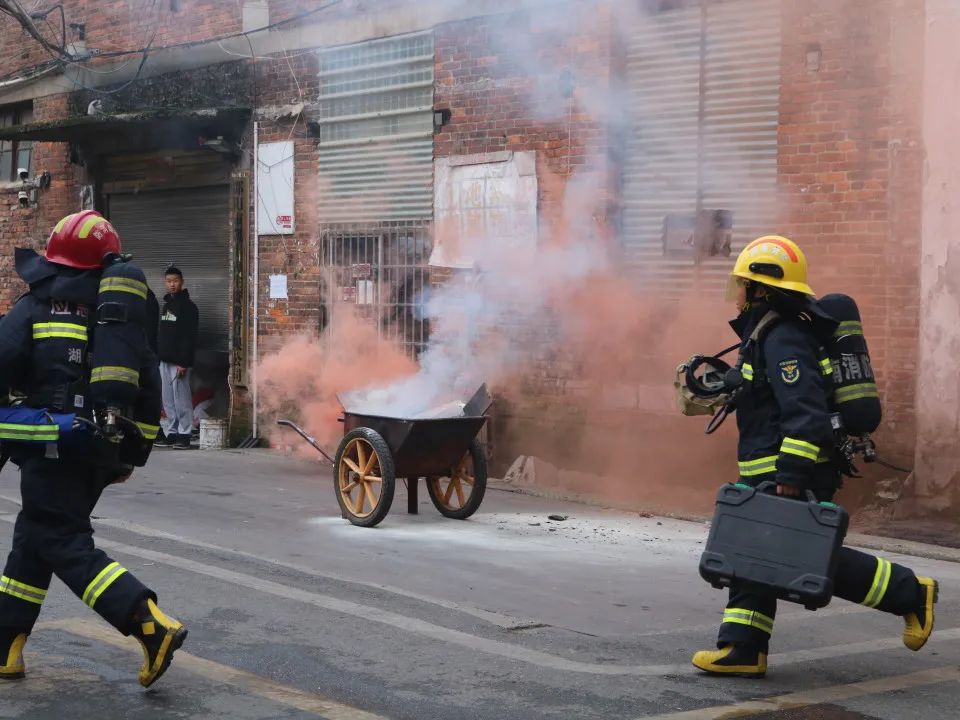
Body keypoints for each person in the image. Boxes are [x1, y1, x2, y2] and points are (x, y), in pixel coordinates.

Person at [691, 235, 938, 678]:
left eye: (744, 286)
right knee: (757, 553)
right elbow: (765, 391)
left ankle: (911, 593)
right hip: (767, 467)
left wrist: (791, 472)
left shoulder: (783, 337)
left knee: (804, 556)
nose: (738, 295)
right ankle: (743, 648)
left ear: (762, 289)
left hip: (787, 468)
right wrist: (728, 383)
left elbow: (805, 414)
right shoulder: (770, 335)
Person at [0, 210, 187, 686]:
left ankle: (148, 624)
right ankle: (5, 646)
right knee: (35, 537)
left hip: (53, 443)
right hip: (103, 447)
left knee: (60, 540)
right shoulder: (120, 313)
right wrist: (125, 456)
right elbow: (144, 386)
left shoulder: (39, 305)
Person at [155, 266, 198, 450]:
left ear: (182, 282)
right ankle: (172, 432)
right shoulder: (166, 306)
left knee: (182, 399)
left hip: (179, 363)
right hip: (164, 360)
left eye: (175, 281)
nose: (172, 284)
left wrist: (184, 362)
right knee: (168, 400)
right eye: (169, 281)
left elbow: (190, 336)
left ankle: (184, 433)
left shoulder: (188, 307)